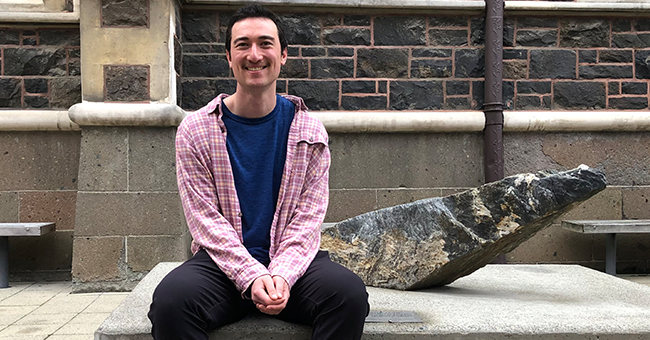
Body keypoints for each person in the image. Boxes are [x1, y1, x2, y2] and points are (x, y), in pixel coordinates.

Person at [147, 4, 369, 340]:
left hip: (293, 262)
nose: (254, 55)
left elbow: (308, 220)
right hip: (222, 264)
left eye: (265, 44)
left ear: (282, 56)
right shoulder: (195, 131)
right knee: (171, 302)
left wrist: (281, 274)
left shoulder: (309, 132)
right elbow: (204, 221)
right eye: (242, 45)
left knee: (348, 295)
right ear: (228, 56)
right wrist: (250, 276)